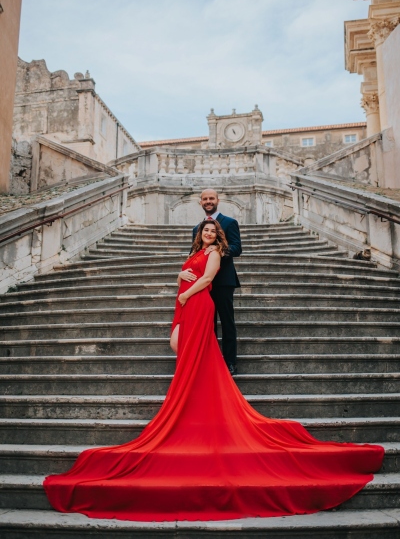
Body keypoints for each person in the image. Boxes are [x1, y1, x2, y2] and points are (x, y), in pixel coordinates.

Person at [43, 219, 384, 522]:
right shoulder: (194, 251)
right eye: (204, 231)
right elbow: (186, 273)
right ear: (198, 234)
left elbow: (207, 280)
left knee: (195, 351)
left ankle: (197, 398)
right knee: (178, 346)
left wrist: (186, 292)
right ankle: (194, 392)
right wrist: (180, 278)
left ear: (217, 235)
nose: (207, 234)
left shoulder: (216, 253)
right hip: (184, 306)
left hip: (196, 303)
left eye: (211, 231)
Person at [181, 188, 241, 375]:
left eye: (211, 198)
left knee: (227, 322)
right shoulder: (196, 229)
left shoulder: (230, 223)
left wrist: (217, 249)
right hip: (202, 284)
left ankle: (230, 362)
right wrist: (182, 274)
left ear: (217, 200)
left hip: (223, 281)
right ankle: (210, 361)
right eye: (205, 199)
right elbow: (195, 252)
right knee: (208, 324)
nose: (208, 201)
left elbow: (237, 248)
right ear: (201, 202)